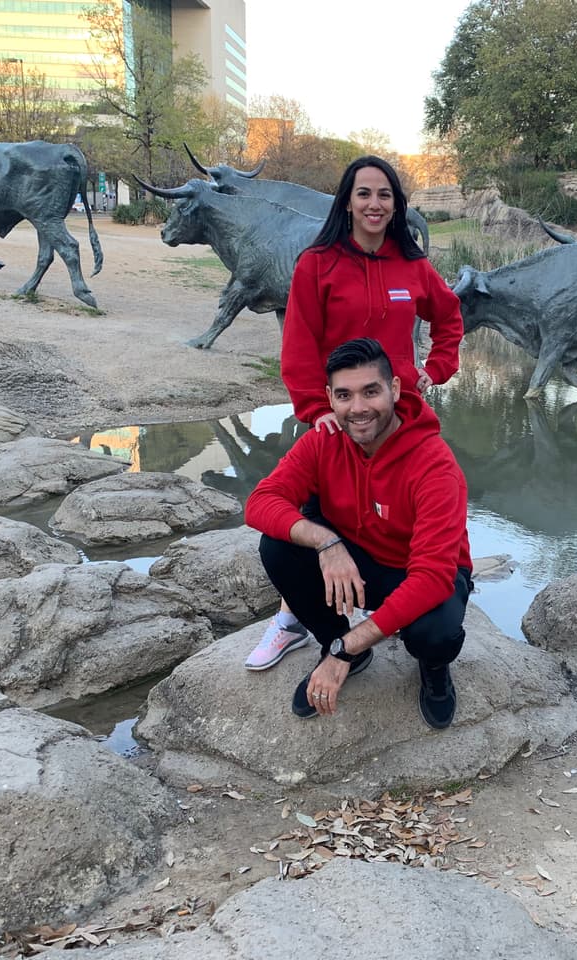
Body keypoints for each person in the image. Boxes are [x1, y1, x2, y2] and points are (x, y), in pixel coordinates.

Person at [243, 155, 464, 671]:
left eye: (385, 194)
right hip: (337, 414)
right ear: (347, 201)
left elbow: (449, 316)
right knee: (315, 516)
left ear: (396, 205)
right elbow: (299, 344)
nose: (374, 204)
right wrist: (315, 407)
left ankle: (407, 602)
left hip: (398, 413)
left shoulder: (411, 265)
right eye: (363, 193)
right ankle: (294, 619)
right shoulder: (317, 263)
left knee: (403, 511)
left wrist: (437, 368)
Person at [244, 337, 472, 729]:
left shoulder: (435, 466)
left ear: (395, 389)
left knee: (434, 632)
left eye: (371, 392)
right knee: (277, 546)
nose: (358, 408)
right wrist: (326, 543)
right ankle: (339, 645)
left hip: (422, 572)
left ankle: (431, 669)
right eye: (345, 395)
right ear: (329, 398)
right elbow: (261, 502)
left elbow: (432, 576)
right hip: (360, 559)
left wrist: (344, 649)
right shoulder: (324, 439)